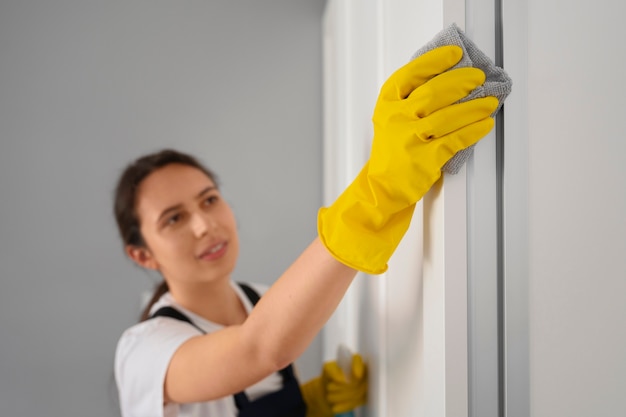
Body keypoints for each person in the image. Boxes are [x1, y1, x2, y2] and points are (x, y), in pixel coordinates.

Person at [113, 45, 499, 417]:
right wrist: (379, 191)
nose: (204, 225)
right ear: (142, 254)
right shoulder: (144, 350)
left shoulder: (261, 301)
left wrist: (316, 403)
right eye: (174, 219)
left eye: (209, 200)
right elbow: (258, 351)